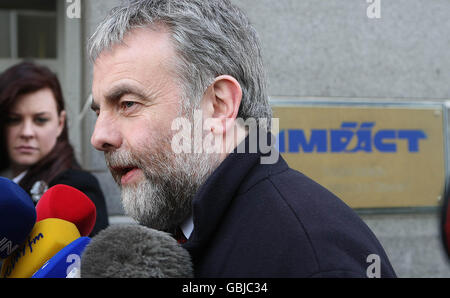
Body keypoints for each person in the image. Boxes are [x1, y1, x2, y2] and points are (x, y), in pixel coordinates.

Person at [88, 0, 396, 277]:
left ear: (219, 105)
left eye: (127, 104)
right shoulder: (180, 222)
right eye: (98, 111)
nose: (99, 136)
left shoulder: (313, 259)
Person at [0, 62, 109, 237]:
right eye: (14, 120)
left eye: (40, 120)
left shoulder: (76, 189)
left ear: (60, 123)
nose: (27, 132)